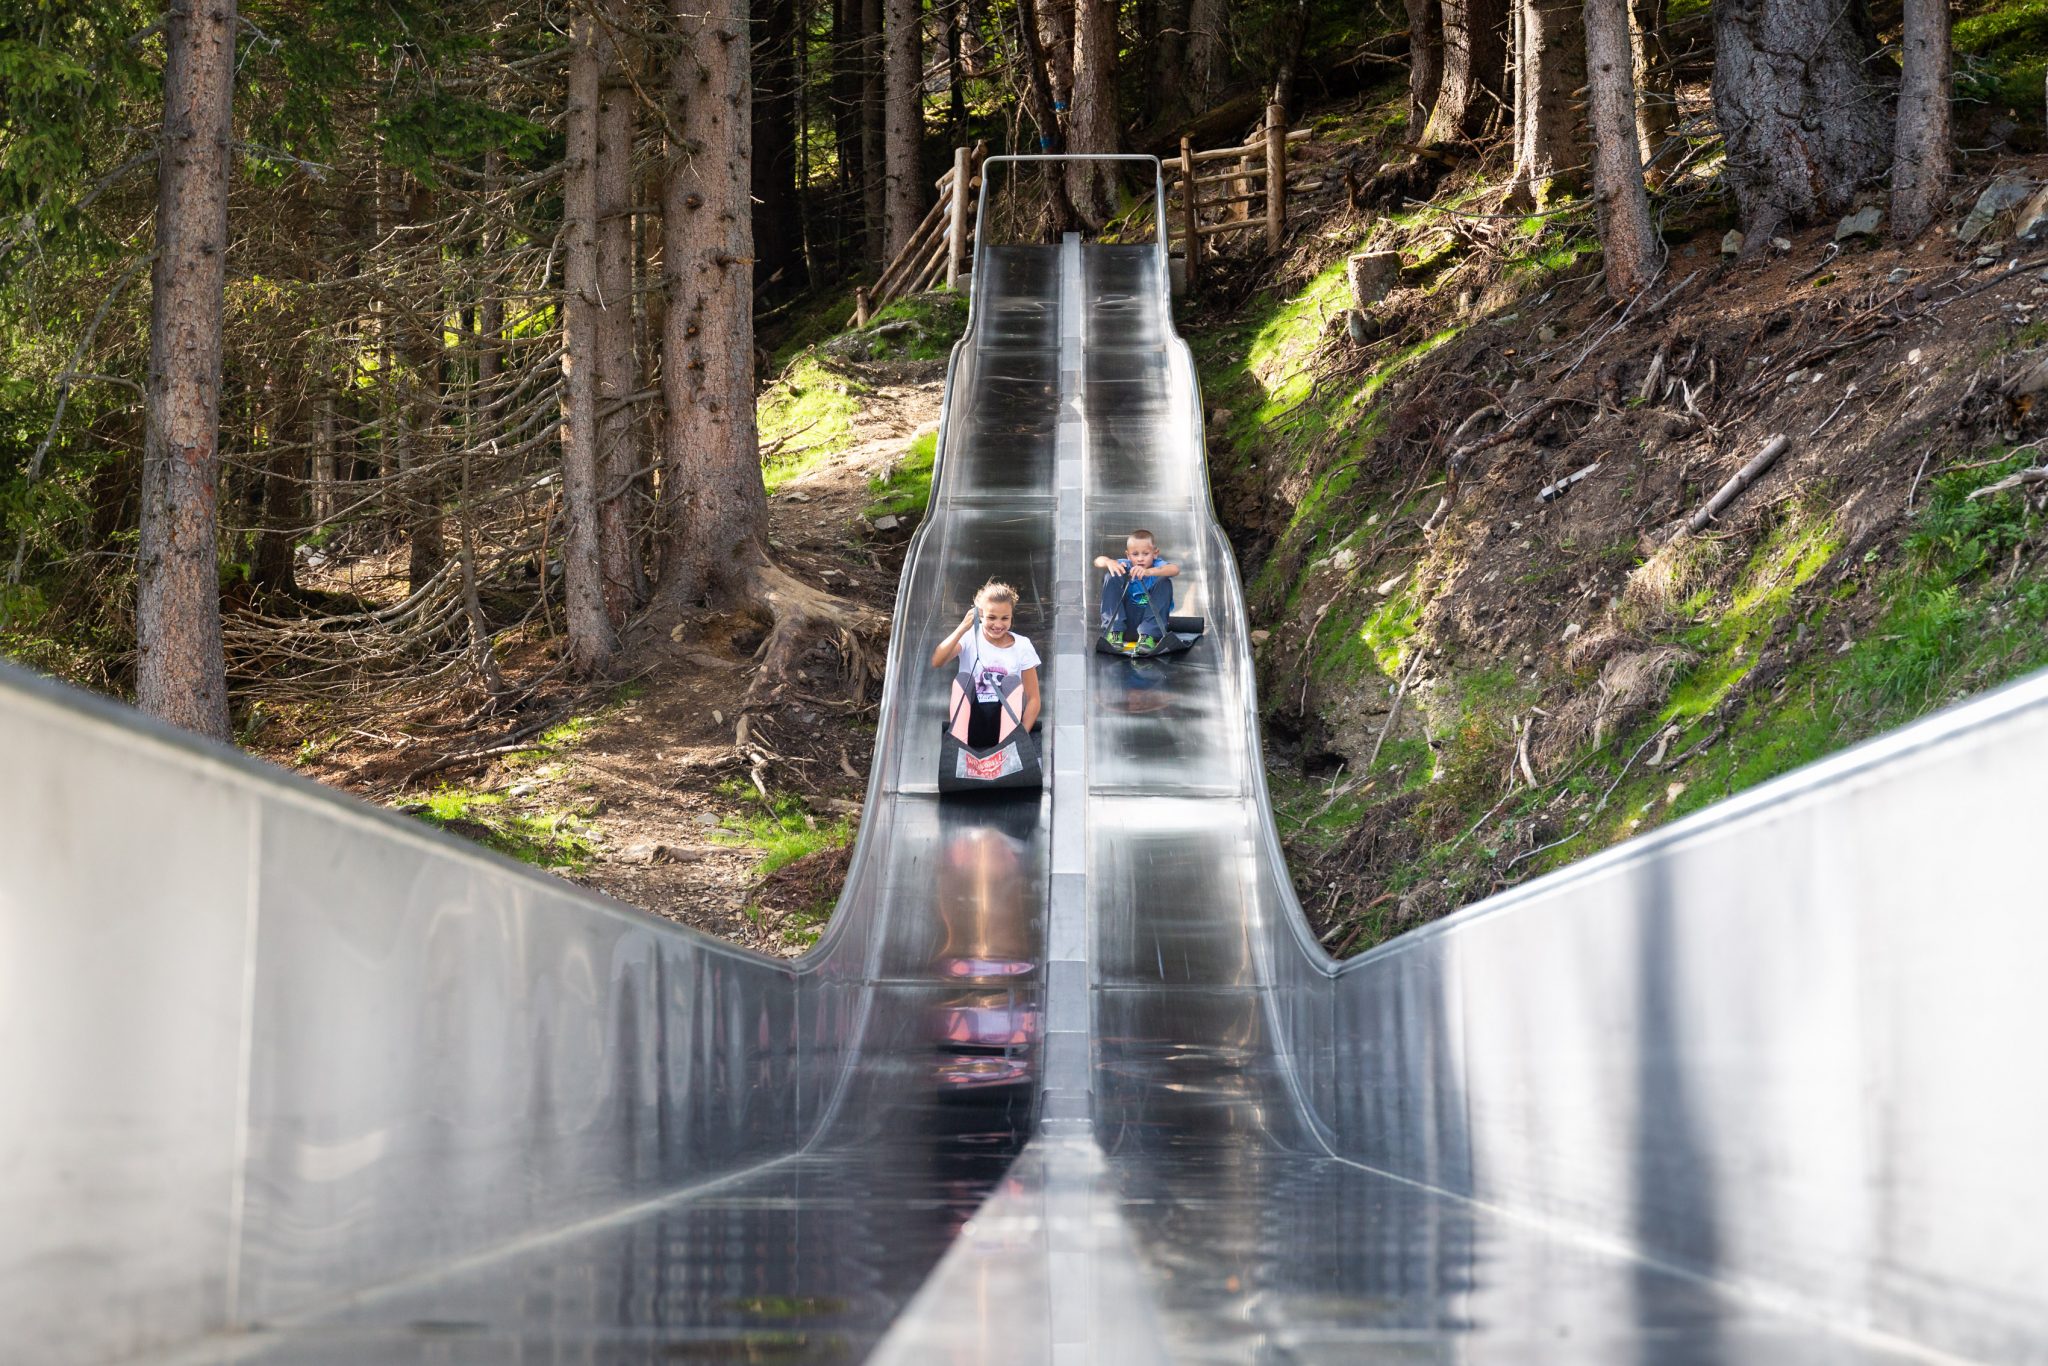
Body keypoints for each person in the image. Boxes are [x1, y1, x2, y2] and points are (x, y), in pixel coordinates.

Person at [931, 580, 1042, 746]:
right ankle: (959, 744)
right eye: (991, 617)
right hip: (972, 722)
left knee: (1012, 681)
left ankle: (1007, 745)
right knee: (962, 678)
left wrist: (1022, 735)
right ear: (980, 615)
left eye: (1005, 618)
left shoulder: (1022, 645)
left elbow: (1033, 698)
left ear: (1012, 616)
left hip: (1005, 723)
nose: (998, 624)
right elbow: (937, 661)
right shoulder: (969, 638)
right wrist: (962, 627)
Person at [1094, 528, 1182, 650]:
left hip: (1150, 625)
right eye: (1135, 554)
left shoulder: (1157, 565)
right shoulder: (1126, 565)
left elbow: (1175, 569)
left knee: (1164, 580)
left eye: (1145, 554)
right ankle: (1114, 632)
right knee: (1111, 575)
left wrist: (1149, 572)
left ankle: (1148, 636)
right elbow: (1098, 561)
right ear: (1128, 555)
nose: (1140, 559)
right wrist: (1109, 562)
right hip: (1125, 625)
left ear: (1155, 553)